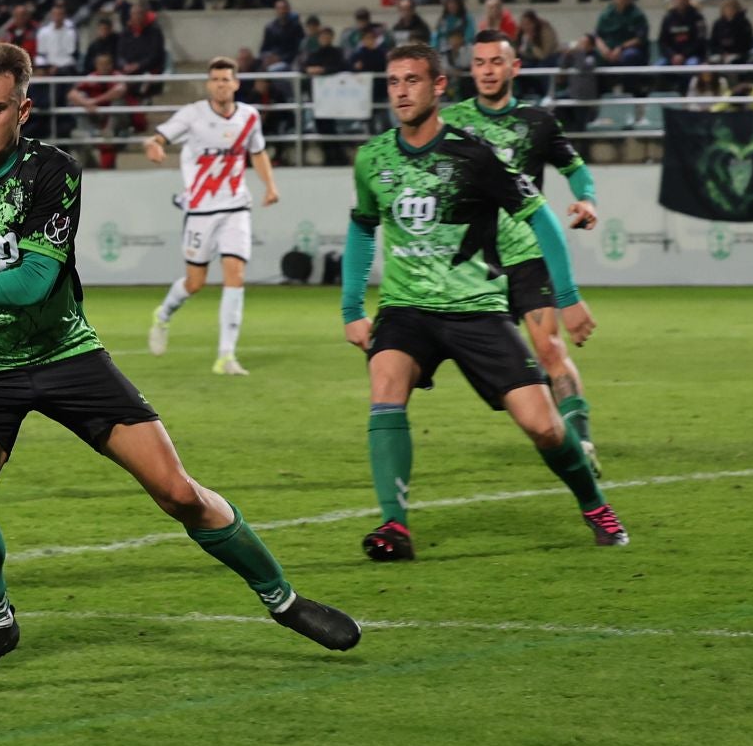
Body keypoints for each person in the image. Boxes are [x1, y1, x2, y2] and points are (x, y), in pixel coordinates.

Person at [0, 41, 360, 673]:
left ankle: (283, 601)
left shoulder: (53, 172)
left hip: (67, 354)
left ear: (23, 111)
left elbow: (32, 284)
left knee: (176, 491)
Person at [342, 43, 627, 562]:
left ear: (438, 87)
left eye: (412, 80)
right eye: (393, 82)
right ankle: (394, 527)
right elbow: (362, 229)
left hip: (475, 305)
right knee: (385, 388)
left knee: (542, 425)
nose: (402, 92)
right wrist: (351, 309)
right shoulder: (373, 157)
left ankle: (595, 504)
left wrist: (568, 297)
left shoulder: (473, 153)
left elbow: (541, 217)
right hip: (406, 309)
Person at [440, 30, 606, 475]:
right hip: (473, 263)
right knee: (500, 368)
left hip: (528, 254)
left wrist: (586, 198)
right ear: (471, 68)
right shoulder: (450, 121)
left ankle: (582, 443)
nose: (488, 70)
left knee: (549, 348)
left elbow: (576, 169)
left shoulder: (538, 122)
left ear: (514, 67)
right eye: (479, 63)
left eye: (497, 62)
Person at [141, 57, 280, 375]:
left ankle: (226, 357)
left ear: (236, 83)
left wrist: (270, 186)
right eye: (215, 79)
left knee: (236, 275)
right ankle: (163, 315)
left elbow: (257, 153)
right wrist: (153, 145)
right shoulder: (192, 115)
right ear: (209, 84)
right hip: (200, 210)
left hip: (235, 207)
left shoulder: (249, 117)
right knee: (195, 282)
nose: (221, 83)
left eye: (226, 78)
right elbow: (158, 137)